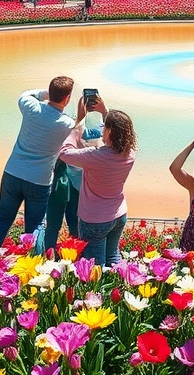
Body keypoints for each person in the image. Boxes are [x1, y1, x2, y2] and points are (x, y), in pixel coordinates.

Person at [0, 77, 76, 245]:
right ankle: (33, 266)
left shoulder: (31, 107)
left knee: (2, 218)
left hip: (13, 172)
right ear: (67, 98)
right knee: (35, 226)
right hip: (39, 180)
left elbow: (25, 94)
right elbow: (82, 131)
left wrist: (45, 93)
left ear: (50, 93)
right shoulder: (66, 123)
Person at [58, 99, 137, 267]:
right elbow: (120, 131)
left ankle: (98, 294)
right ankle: (118, 288)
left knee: (95, 267)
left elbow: (64, 153)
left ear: (110, 131)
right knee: (113, 258)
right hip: (119, 214)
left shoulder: (95, 156)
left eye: (105, 127)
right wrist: (105, 111)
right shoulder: (129, 153)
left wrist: (77, 123)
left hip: (95, 219)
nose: (102, 130)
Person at [41, 124, 103, 254]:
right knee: (74, 226)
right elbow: (100, 131)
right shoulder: (80, 144)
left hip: (58, 187)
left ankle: (47, 255)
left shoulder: (60, 134)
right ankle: (74, 257)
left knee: (53, 227)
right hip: (73, 187)